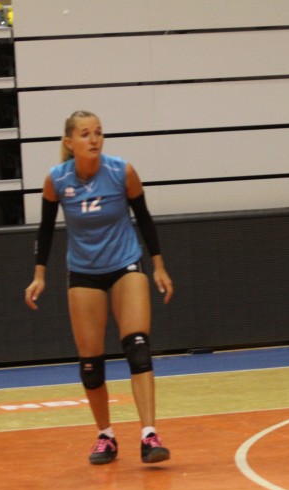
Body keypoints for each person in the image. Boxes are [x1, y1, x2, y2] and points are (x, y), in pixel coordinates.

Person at [24, 110, 175, 466]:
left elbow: (144, 218)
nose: (94, 140)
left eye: (98, 133)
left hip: (125, 263)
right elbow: (45, 229)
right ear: (69, 142)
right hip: (84, 272)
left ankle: (149, 434)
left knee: (138, 347)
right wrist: (39, 275)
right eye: (85, 134)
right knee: (91, 364)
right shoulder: (57, 179)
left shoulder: (121, 171)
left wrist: (158, 266)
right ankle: (105, 436)